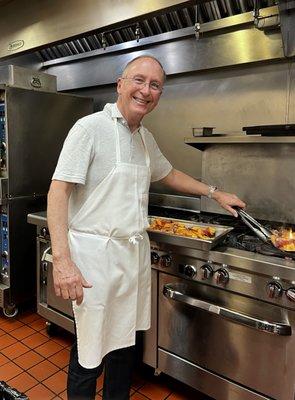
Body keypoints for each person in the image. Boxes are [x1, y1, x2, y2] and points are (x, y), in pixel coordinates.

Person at [47, 54, 245, 400]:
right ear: (120, 85)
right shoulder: (89, 129)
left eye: (155, 85)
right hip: (94, 261)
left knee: (125, 349)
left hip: (131, 259)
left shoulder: (144, 138)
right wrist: (63, 261)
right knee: (89, 353)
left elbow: (168, 174)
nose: (146, 90)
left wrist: (215, 193)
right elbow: (58, 191)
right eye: (138, 80)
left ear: (159, 95)